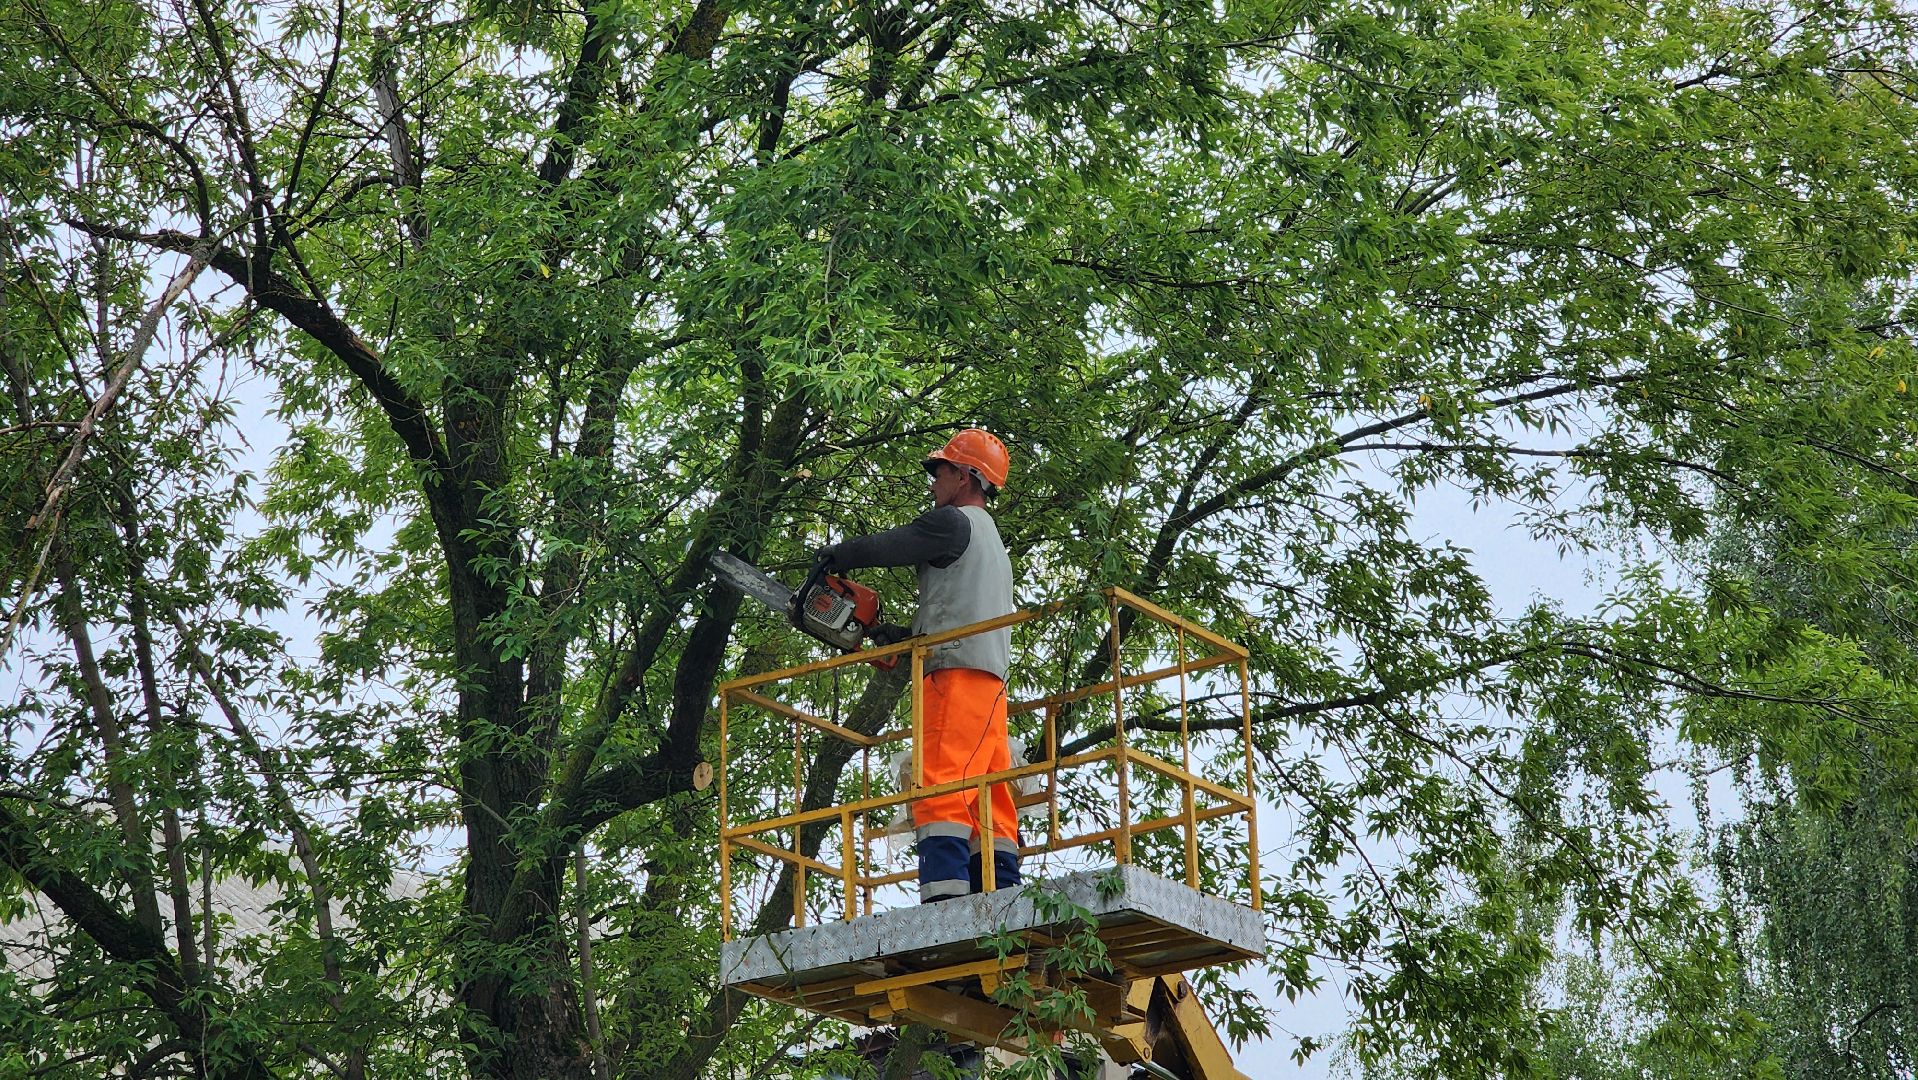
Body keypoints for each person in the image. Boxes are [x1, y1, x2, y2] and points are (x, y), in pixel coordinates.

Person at [814, 429, 1018, 902]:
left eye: (941, 470)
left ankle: (944, 902)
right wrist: (904, 638)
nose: (933, 482)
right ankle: (1002, 894)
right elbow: (963, 611)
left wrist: (837, 555)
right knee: (990, 795)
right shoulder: (992, 543)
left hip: (953, 676)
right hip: (991, 686)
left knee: (943, 784)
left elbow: (897, 544)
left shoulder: (954, 522)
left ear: (966, 475)